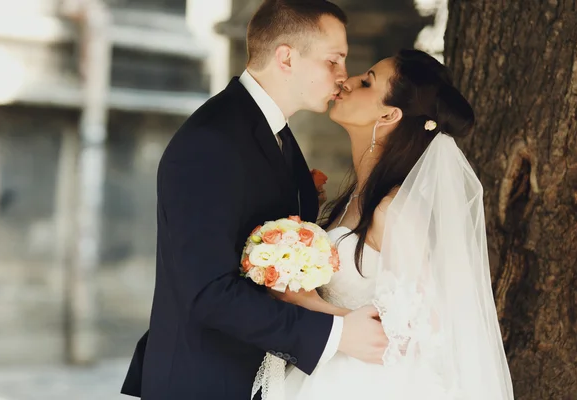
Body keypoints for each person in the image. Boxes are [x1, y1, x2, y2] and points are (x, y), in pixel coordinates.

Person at [120, 1, 388, 399]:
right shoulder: (212, 140)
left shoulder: (273, 133)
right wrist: (335, 333)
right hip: (202, 380)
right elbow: (208, 292)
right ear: (286, 58)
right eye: (333, 60)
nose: (342, 75)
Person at [274, 49, 515, 400]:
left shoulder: (394, 211)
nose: (348, 81)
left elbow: (418, 333)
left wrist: (308, 303)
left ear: (389, 113)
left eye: (367, 82)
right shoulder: (356, 198)